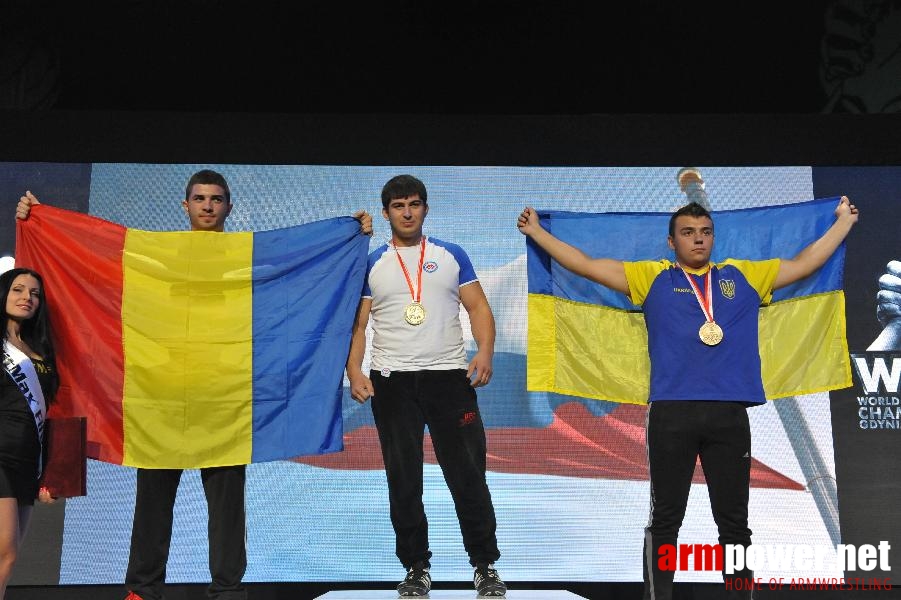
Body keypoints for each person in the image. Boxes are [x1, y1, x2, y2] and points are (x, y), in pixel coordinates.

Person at [16, 170, 374, 600]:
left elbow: (297, 275)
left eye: (216, 199)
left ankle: (227, 590)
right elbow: (96, 265)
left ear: (229, 206)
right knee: (152, 505)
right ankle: (142, 591)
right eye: (199, 198)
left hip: (226, 400)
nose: (207, 205)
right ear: (185, 206)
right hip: (161, 399)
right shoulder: (161, 256)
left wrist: (348, 236)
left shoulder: (247, 258)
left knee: (227, 510)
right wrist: (37, 220)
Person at [517, 197, 858, 600]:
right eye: (688, 233)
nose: (698, 240)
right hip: (671, 414)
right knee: (665, 519)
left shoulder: (743, 275)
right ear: (671, 241)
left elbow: (804, 264)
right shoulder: (652, 277)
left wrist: (842, 224)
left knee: (734, 523)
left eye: (705, 232)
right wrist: (537, 232)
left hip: (729, 414)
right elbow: (587, 265)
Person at [346, 174, 506, 598]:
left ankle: (485, 566)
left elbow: (478, 307)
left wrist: (485, 351)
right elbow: (358, 325)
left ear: (425, 208)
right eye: (398, 206)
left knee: (468, 474)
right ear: (386, 213)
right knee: (403, 479)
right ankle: (416, 568)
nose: (407, 212)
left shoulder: (451, 255)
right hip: (392, 383)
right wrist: (354, 371)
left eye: (414, 204)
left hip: (449, 380)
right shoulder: (372, 263)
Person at [0, 267, 59, 599]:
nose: (27, 298)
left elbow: (50, 413)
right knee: (3, 553)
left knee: (9, 560)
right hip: (0, 455)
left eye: (34, 293)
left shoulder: (41, 347)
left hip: (26, 461)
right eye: (18, 290)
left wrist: (51, 473)